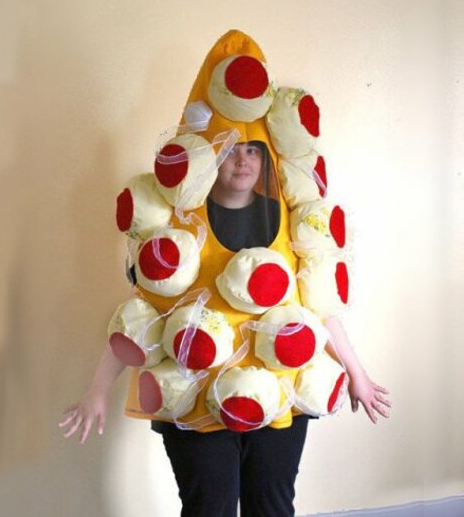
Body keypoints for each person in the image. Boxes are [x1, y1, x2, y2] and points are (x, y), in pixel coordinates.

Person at [59, 139, 392, 517]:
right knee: (209, 508)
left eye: (252, 151)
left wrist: (356, 373)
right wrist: (98, 390)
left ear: (265, 158)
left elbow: (316, 308)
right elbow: (142, 316)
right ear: (211, 158)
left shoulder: (289, 221)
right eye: (230, 150)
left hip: (278, 391)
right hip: (193, 392)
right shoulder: (178, 223)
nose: (242, 161)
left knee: (272, 506)